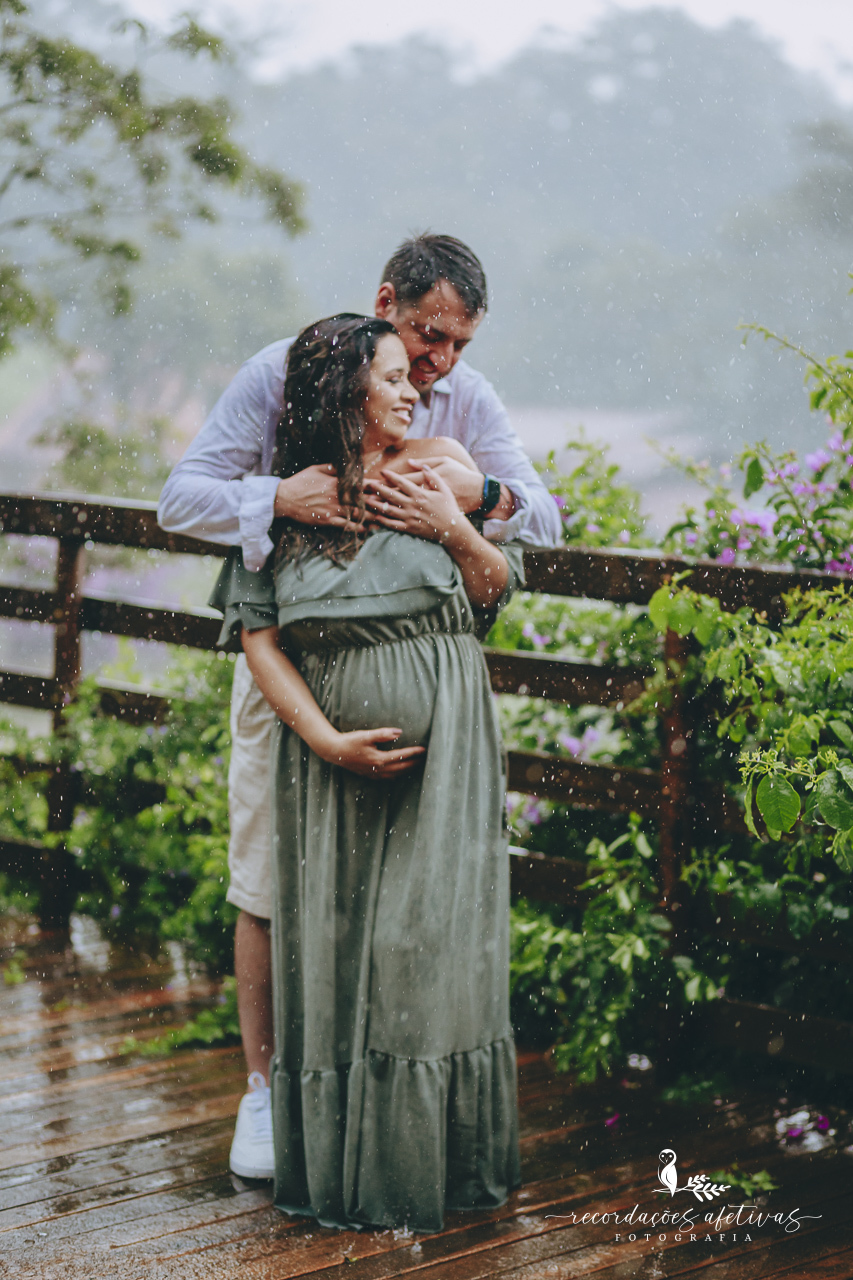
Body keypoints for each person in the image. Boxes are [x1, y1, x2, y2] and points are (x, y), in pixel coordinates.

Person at [157, 234, 560, 1179]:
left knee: (415, 904)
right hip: (291, 668)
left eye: (457, 344)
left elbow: (539, 520)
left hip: (427, 691)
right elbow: (181, 500)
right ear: (387, 301)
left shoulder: (467, 403)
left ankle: (384, 1096)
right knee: (265, 876)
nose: (437, 365)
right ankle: (266, 1092)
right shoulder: (285, 373)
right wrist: (276, 497)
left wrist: (482, 493)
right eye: (425, 337)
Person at [210, 314, 522, 1230]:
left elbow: (493, 589)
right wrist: (322, 741)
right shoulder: (287, 498)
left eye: (408, 375)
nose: (413, 387)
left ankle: (438, 1162)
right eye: (390, 375)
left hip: (446, 760)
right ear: (342, 391)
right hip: (328, 772)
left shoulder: (443, 471)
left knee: (422, 950)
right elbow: (259, 639)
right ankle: (345, 1164)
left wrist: (453, 528)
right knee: (342, 954)